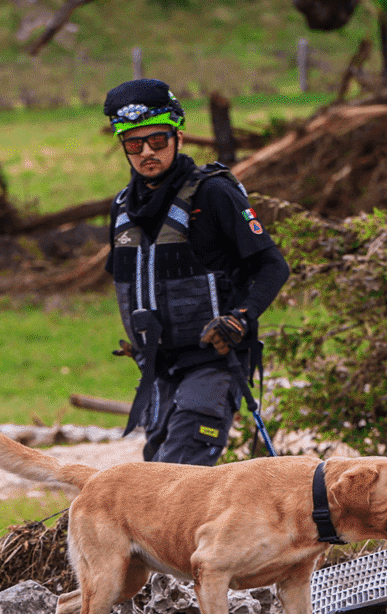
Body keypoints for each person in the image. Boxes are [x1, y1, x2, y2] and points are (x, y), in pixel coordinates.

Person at [103, 79, 290, 466]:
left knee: (179, 472)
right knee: (154, 471)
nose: (147, 153)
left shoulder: (214, 194)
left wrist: (241, 318)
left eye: (157, 140)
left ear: (179, 137)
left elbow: (273, 266)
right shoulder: (122, 208)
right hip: (159, 368)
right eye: (134, 145)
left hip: (214, 361)